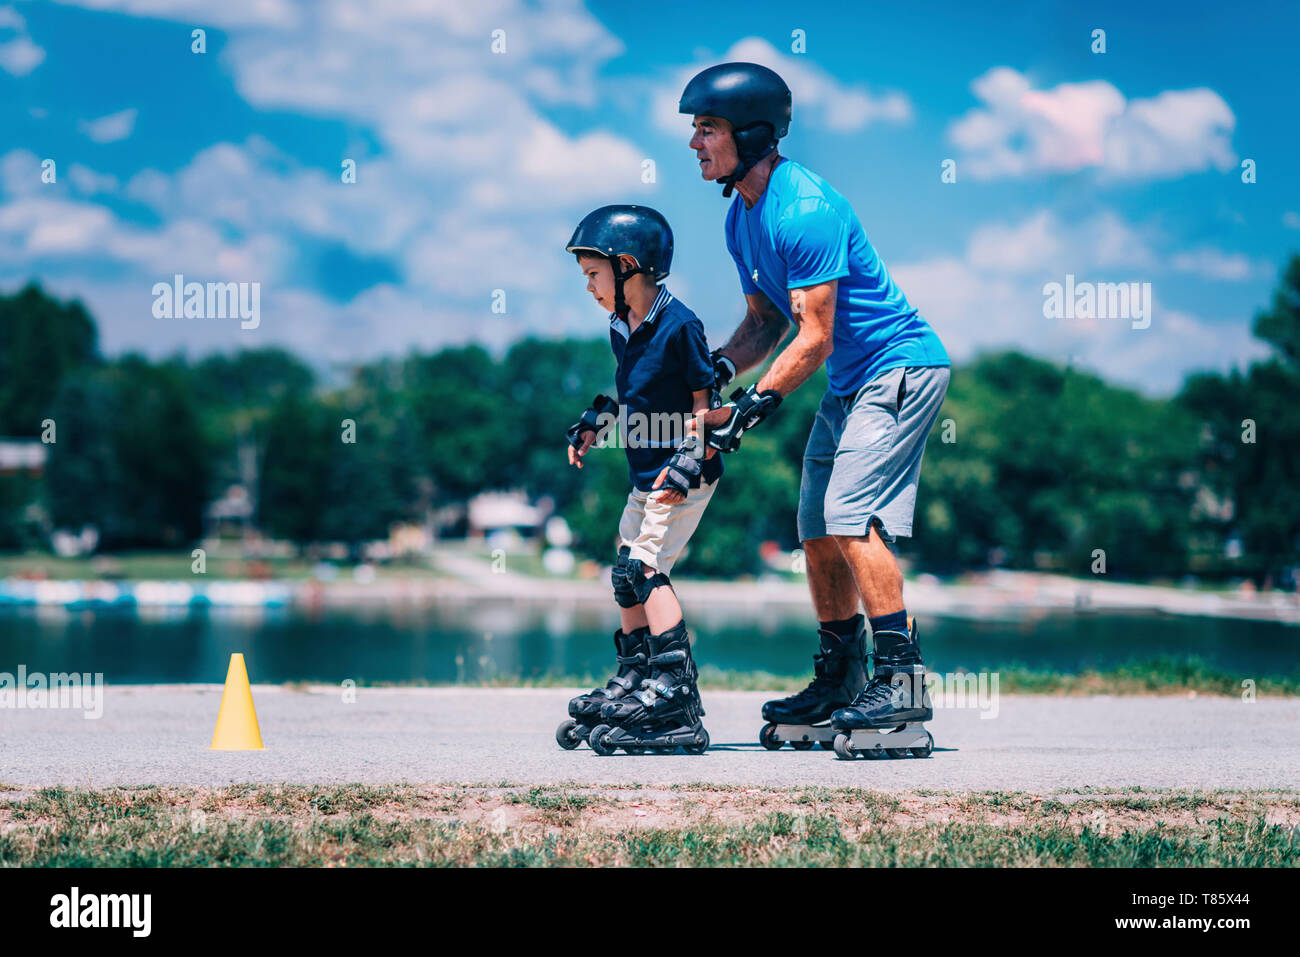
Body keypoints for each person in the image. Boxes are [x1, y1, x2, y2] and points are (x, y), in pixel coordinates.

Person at [673, 62, 950, 748]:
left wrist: (751, 405)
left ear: (753, 132)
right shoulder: (742, 219)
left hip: (901, 365)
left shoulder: (805, 209)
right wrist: (717, 373)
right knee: (816, 526)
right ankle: (844, 676)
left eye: (707, 128)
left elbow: (816, 336)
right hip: (852, 381)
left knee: (852, 514)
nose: (695, 143)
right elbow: (766, 325)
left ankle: (903, 684)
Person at [554, 204, 719, 756]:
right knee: (625, 572)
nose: (589, 287)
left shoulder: (681, 325)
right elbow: (633, 395)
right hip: (645, 473)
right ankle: (637, 675)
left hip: (682, 472)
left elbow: (704, 404)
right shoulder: (621, 326)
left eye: (594, 275)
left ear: (628, 267)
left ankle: (675, 695)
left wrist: (689, 458)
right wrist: (598, 421)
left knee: (648, 568)